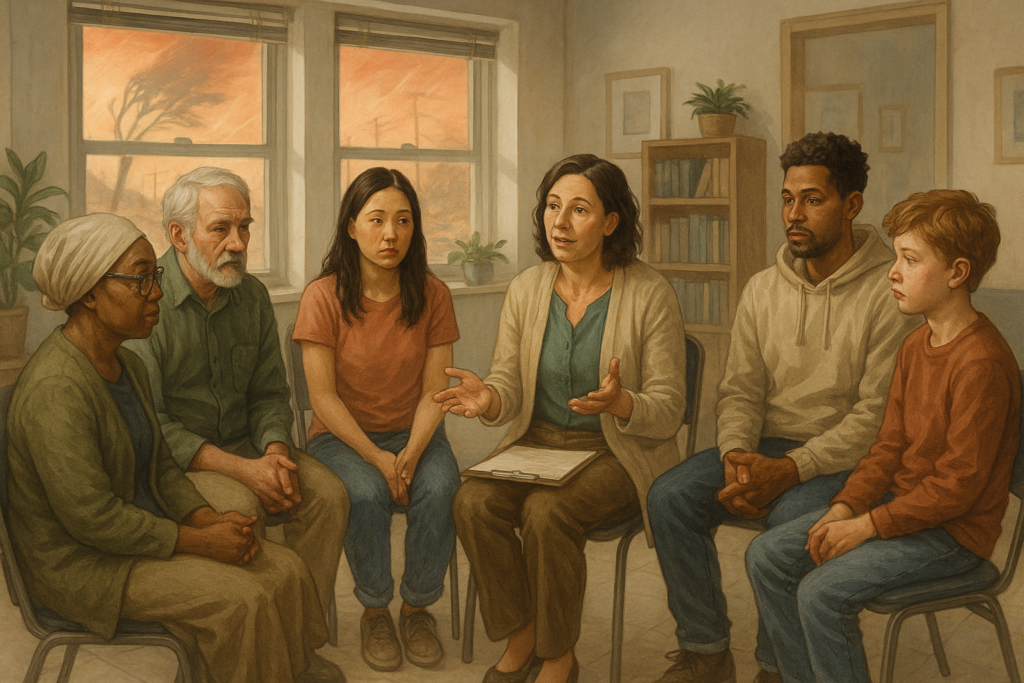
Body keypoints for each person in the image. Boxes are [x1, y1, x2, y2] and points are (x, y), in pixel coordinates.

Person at [8, 213, 342, 683]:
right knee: (241, 599)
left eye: (155, 277)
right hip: (85, 568)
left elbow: (162, 469)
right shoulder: (56, 389)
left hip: (132, 539)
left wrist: (205, 518)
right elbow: (92, 519)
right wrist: (198, 540)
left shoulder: (126, 364)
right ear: (88, 292)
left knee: (284, 569)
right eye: (141, 280)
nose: (158, 293)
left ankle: (291, 669)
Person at [646, 131, 920, 683]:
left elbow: (874, 420)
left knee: (787, 522)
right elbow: (740, 389)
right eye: (787, 198)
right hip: (768, 448)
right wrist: (736, 454)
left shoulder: (889, 294)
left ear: (851, 205)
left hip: (846, 463)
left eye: (812, 200)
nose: (794, 214)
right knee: (669, 495)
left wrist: (791, 469)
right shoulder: (761, 288)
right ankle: (705, 650)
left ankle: (776, 667)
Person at [746, 189, 1020, 683]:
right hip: (904, 508)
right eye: (895, 257)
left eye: (910, 260)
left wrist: (868, 526)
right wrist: (845, 507)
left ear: (958, 273)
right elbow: (888, 447)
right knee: (766, 555)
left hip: (953, 534)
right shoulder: (916, 344)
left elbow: (958, 488)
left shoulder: (983, 364)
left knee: (820, 591)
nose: (892, 272)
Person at [437, 153, 688, 683]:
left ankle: (558, 656)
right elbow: (507, 380)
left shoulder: (650, 292)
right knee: (473, 500)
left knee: (548, 513)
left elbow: (669, 410)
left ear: (611, 222)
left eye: (579, 209)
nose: (560, 222)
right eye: (553, 206)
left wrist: (623, 403)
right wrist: (490, 401)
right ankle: (521, 633)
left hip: (616, 450)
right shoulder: (528, 288)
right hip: (538, 443)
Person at [123, 167, 348, 629]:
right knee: (239, 509)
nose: (239, 243)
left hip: (250, 448)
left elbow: (269, 393)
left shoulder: (253, 296)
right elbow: (152, 424)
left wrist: (276, 454)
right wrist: (245, 471)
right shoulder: (146, 304)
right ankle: (248, 642)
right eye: (221, 229)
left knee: (329, 495)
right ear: (179, 235)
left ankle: (299, 642)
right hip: (176, 467)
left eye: (244, 227)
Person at [291, 168, 461, 671]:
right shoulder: (321, 296)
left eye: (403, 221)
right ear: (351, 225)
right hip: (342, 439)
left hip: (417, 434)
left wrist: (408, 453)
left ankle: (415, 608)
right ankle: (375, 609)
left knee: (443, 487)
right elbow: (322, 399)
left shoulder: (433, 294)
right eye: (377, 219)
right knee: (363, 493)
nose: (391, 234)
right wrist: (379, 459)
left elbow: (437, 391)